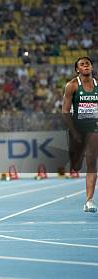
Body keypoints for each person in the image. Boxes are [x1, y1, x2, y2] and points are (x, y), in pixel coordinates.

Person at [62, 57, 97, 213]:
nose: (85, 66)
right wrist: (75, 132)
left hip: (94, 128)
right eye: (82, 64)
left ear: (91, 67)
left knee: (92, 161)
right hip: (77, 128)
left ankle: (89, 201)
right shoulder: (72, 86)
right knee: (76, 166)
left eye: (88, 64)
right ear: (77, 69)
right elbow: (65, 111)